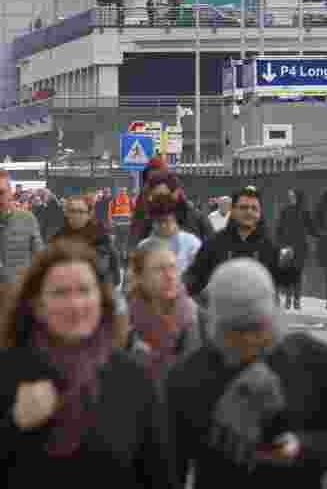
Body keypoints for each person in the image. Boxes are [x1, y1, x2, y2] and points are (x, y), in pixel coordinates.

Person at [166, 258, 327, 488]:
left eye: (257, 327)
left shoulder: (314, 361)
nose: (249, 339)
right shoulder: (190, 377)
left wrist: (301, 446)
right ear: (216, 324)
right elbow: (170, 467)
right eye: (238, 330)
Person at [0, 239, 174, 488]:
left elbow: (159, 477)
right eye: (60, 293)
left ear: (101, 300)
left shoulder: (132, 378)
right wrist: (14, 425)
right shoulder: (8, 372)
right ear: (37, 305)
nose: (75, 305)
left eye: (84, 291)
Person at [185, 186, 289, 301]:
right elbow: (193, 278)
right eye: (243, 207)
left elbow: (274, 292)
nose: (249, 212)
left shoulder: (270, 248)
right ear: (233, 211)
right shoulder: (213, 244)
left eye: (254, 208)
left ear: (260, 213)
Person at [125, 238, 207, 381]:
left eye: (172, 268)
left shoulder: (202, 321)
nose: (170, 276)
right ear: (139, 277)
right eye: (159, 269)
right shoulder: (123, 326)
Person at [50, 194, 121, 292]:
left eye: (81, 211)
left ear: (88, 214)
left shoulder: (101, 237)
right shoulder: (57, 239)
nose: (76, 215)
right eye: (72, 211)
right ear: (66, 213)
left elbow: (115, 272)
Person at [0, 169, 44, 289]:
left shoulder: (27, 219)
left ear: (10, 193)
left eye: (1, 192)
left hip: (19, 295)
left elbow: (40, 258)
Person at [276, 189, 316, 310]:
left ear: (298, 196)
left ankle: (297, 300)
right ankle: (288, 299)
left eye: (293, 196)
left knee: (297, 274)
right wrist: (280, 244)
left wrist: (323, 234)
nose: (291, 198)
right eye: (290, 196)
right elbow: (279, 229)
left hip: (300, 247)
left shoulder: (305, 212)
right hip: (287, 246)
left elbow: (311, 229)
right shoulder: (285, 211)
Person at [145, 193, 203, 278]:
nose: (163, 225)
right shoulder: (144, 246)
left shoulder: (192, 243)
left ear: (175, 220)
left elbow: (200, 275)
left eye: (166, 221)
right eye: (158, 221)